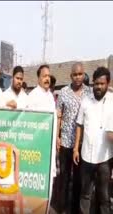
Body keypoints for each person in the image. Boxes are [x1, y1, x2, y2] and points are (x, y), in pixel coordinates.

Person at [73, 67, 113, 214]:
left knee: (104, 196)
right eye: (96, 84)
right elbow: (79, 125)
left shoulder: (112, 102)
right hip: (86, 157)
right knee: (85, 194)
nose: (98, 87)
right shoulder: (86, 101)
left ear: (107, 84)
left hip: (105, 158)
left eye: (102, 84)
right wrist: (76, 148)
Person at [56, 62, 91, 214]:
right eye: (75, 74)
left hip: (82, 144)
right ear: (71, 76)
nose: (78, 77)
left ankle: (76, 209)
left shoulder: (89, 93)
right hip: (65, 142)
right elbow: (59, 115)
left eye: (80, 74)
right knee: (64, 178)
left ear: (84, 75)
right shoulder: (63, 92)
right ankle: (62, 208)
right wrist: (57, 136)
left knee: (78, 180)